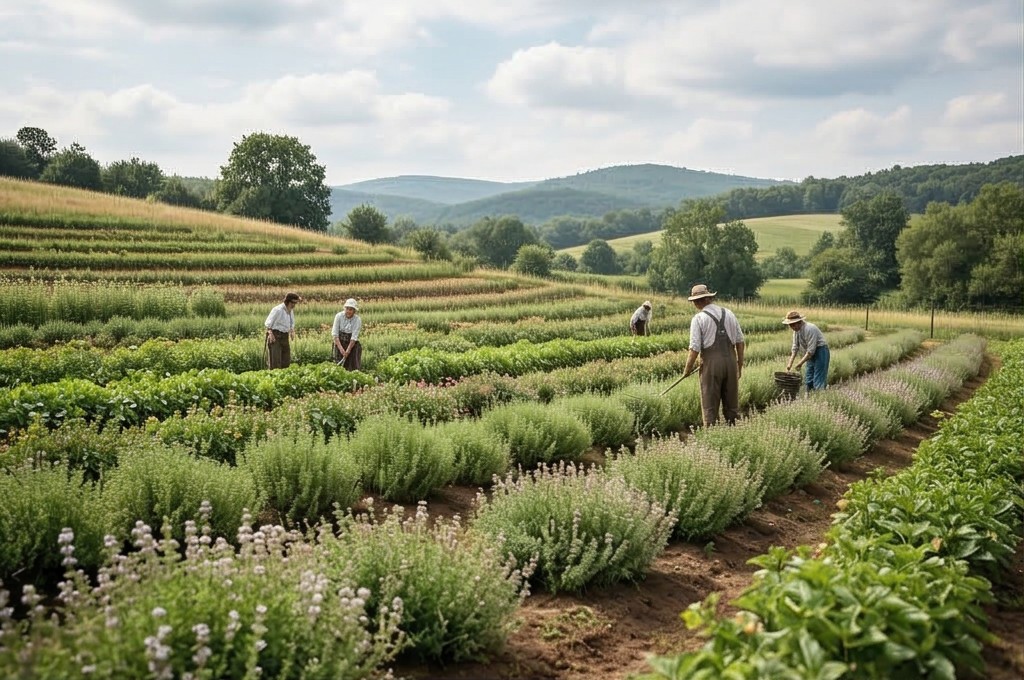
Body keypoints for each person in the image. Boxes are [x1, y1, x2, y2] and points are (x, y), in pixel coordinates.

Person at [681, 284, 745, 427]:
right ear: (709, 298)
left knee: (709, 404)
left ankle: (711, 433)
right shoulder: (729, 313)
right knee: (732, 405)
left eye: (694, 301)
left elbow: (694, 348)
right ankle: (733, 431)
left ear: (698, 301)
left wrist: (687, 370)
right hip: (730, 363)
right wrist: (739, 365)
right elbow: (740, 342)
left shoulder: (699, 318)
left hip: (711, 366)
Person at [783, 310, 830, 391]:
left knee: (818, 379)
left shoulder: (810, 328)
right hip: (809, 354)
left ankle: (820, 396)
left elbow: (811, 350)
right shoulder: (796, 331)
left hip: (820, 351)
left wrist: (800, 363)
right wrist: (789, 365)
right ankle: (809, 396)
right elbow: (795, 347)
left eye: (792, 325)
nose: (791, 327)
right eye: (790, 325)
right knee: (809, 379)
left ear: (798, 322)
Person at [265, 292, 301, 369]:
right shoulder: (277, 310)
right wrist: (270, 333)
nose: (294, 305)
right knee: (275, 361)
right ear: (288, 301)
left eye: (295, 303)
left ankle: (283, 375)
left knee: (286, 361)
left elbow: (291, 322)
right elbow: (268, 323)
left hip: (285, 336)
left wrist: (292, 331)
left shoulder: (290, 310)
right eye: (293, 303)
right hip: (275, 336)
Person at [332, 298, 363, 371]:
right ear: (344, 308)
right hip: (339, 343)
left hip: (352, 345)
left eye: (351, 309)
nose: (348, 311)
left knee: (353, 367)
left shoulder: (357, 319)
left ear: (354, 311)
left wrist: (348, 351)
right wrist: (342, 350)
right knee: (338, 366)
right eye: (347, 309)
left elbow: (354, 337)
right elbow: (335, 335)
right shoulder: (338, 316)